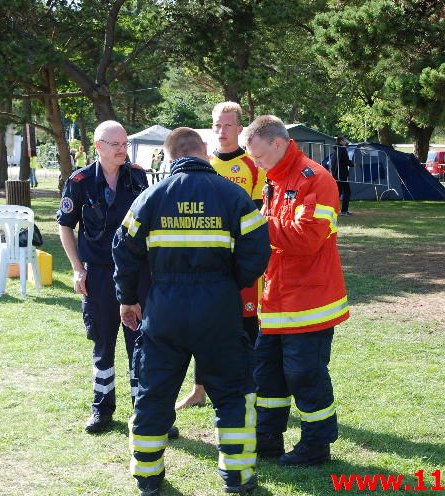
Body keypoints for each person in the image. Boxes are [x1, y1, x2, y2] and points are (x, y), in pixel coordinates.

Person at [113, 127, 270, 496]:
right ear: (204, 150)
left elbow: (123, 249)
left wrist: (128, 297)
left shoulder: (150, 197)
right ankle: (237, 475)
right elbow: (258, 249)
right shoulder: (232, 195)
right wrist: (230, 280)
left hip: (164, 307)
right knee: (232, 392)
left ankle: (148, 477)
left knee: (154, 392)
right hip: (219, 307)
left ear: (168, 157)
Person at [242, 115, 350, 467]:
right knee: (268, 374)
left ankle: (317, 445)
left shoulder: (316, 178)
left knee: (305, 374)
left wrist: (257, 223)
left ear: (277, 143)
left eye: (257, 156)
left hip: (310, 301)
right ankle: (268, 438)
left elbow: (306, 238)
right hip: (275, 298)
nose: (255, 164)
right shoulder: (274, 179)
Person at [57, 121, 165, 435]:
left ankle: (143, 411)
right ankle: (101, 408)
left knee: (140, 343)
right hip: (99, 272)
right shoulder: (79, 181)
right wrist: (77, 268)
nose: (122, 149)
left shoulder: (137, 175)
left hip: (135, 272)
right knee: (102, 341)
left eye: (125, 143)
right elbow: (66, 224)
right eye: (116, 144)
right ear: (98, 146)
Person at [176, 101, 266, 410]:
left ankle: (251, 391)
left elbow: (256, 216)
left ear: (240, 129)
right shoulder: (204, 163)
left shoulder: (253, 166)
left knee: (246, 327)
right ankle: (199, 390)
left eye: (228, 125)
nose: (221, 130)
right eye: (217, 124)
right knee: (204, 326)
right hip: (207, 264)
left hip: (240, 264)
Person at [331, 136, 354, 216]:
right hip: (342, 175)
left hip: (336, 175)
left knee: (338, 193)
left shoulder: (335, 150)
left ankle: (333, 210)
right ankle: (344, 211)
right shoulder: (342, 149)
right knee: (347, 192)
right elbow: (346, 161)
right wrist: (352, 164)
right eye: (344, 141)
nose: (345, 142)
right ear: (341, 141)